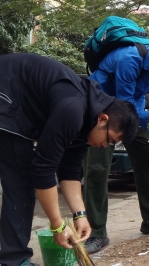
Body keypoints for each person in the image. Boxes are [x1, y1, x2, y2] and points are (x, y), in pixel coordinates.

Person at [0, 53, 139, 266]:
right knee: (22, 183)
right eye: (109, 139)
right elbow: (43, 170)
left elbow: (70, 170)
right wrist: (57, 225)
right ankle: (14, 261)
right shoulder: (73, 110)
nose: (104, 145)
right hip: (7, 98)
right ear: (103, 119)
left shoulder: (87, 121)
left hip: (15, 110)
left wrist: (79, 215)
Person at [83, 32, 149, 253]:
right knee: (97, 166)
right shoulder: (129, 59)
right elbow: (125, 107)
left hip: (130, 111)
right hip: (101, 108)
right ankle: (96, 232)